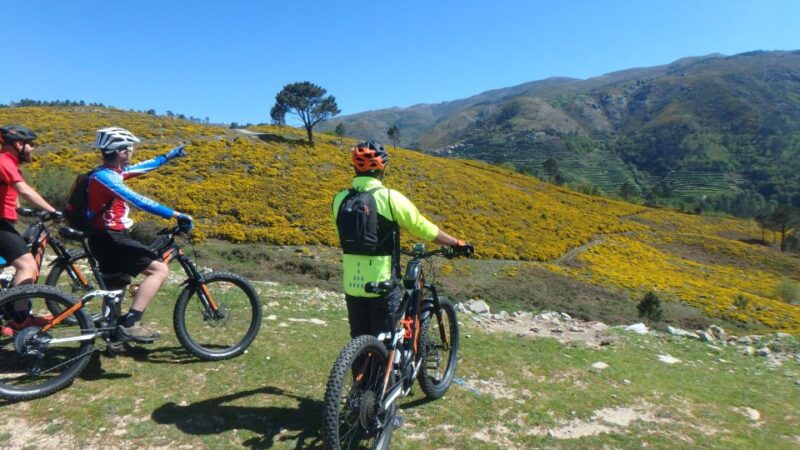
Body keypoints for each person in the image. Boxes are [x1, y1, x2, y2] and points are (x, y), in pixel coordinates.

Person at [332, 141, 471, 338]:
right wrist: (455, 243)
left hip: (352, 284)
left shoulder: (340, 200)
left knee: (360, 341)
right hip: (382, 282)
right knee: (387, 342)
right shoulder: (389, 198)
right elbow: (423, 227)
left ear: (355, 167)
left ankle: (360, 367)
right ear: (383, 169)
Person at [86, 127, 193, 343]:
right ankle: (130, 323)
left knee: (115, 287)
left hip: (103, 238)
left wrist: (167, 157)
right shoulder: (106, 178)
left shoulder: (108, 173)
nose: (132, 153)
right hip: (112, 237)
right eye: (130, 149)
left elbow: (141, 168)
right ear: (121, 152)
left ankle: (111, 335)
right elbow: (139, 200)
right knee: (159, 270)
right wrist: (176, 214)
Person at [0, 126, 60, 336]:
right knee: (27, 265)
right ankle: (20, 318)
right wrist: (53, 211)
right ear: (18, 144)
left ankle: (6, 315)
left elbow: (9, 192)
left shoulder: (8, 163)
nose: (32, 148)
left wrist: (18, 209)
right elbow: (23, 189)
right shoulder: (4, 160)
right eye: (31, 144)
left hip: (4, 221)